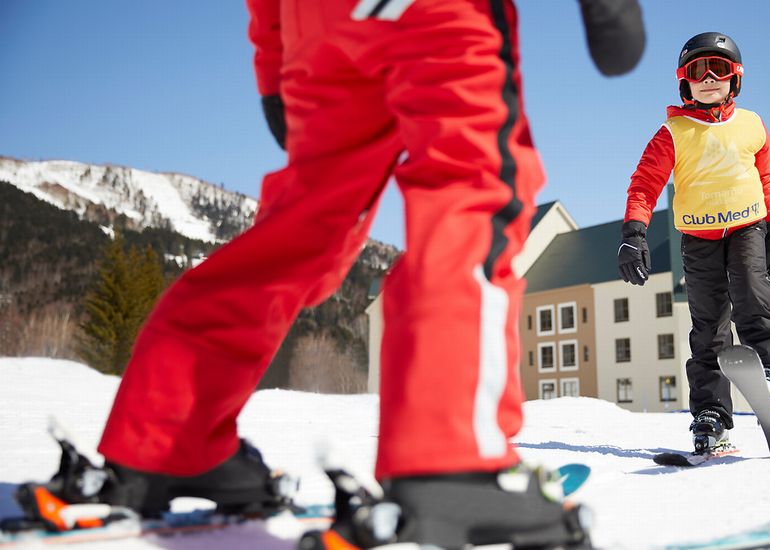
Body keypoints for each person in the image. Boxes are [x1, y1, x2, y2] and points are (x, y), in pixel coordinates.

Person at [15, 1, 645, 548]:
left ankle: (167, 439)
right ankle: (451, 464)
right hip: (435, 14)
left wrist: (273, 66)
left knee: (299, 229)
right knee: (470, 194)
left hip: (318, 26)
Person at [617, 32, 770, 454]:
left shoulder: (752, 124)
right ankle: (711, 414)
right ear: (685, 81)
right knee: (709, 326)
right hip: (698, 239)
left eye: (719, 68)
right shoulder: (672, 133)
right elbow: (644, 185)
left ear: (735, 78)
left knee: (752, 292)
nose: (709, 77)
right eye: (698, 70)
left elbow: (764, 178)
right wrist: (633, 234)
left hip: (748, 228)